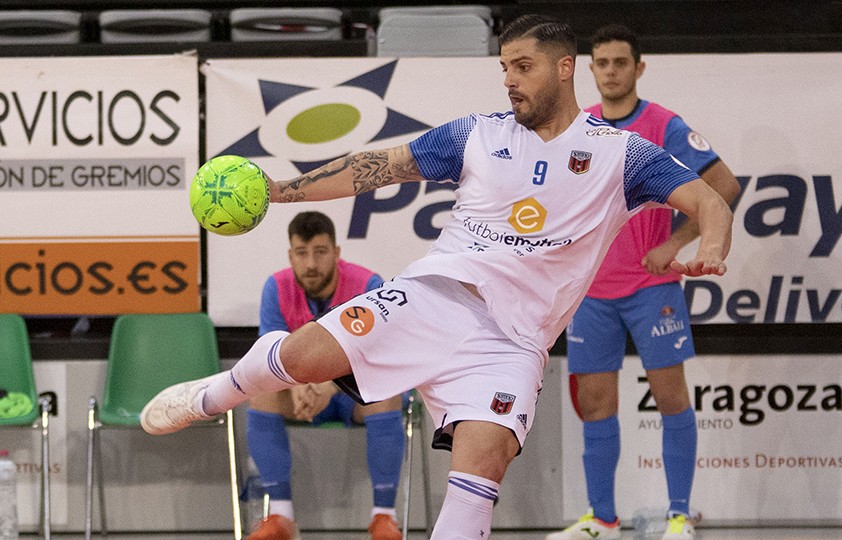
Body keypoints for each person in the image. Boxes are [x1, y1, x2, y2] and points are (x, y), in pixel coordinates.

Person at [141, 14, 733, 539]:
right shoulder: (477, 134)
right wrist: (278, 190)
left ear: (563, 68)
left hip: (513, 343)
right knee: (298, 358)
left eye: (523, 67)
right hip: (434, 299)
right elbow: (373, 168)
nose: (510, 80)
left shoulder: (621, 154)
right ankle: (210, 396)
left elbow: (712, 201)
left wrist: (708, 245)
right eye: (505, 68)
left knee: (482, 469)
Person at [548, 24, 741, 540]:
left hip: (651, 289)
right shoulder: (576, 125)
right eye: (602, 63)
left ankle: (679, 516)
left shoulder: (663, 124)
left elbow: (723, 186)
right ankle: (602, 520)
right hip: (591, 291)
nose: (611, 71)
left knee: (671, 398)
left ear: (639, 67)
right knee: (595, 404)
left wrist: (674, 243)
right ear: (589, 69)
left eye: (620, 62)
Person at [245, 211, 405, 540]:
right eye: (301, 253)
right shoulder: (276, 287)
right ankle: (280, 517)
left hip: (351, 394)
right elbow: (270, 353)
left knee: (388, 394)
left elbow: (378, 354)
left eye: (320, 252)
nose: (311, 264)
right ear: (291, 255)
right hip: (301, 394)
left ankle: (384, 518)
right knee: (260, 394)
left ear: (336, 252)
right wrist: (296, 386)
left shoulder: (367, 284)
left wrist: (331, 385)